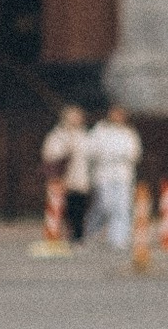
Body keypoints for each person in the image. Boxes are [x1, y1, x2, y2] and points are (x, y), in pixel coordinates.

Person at [86, 104, 141, 255]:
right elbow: (91, 150)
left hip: (123, 174)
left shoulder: (128, 133)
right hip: (104, 174)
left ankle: (118, 239)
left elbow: (134, 153)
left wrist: (121, 156)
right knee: (105, 205)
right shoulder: (100, 130)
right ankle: (91, 232)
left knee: (122, 207)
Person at [42, 103, 94, 244]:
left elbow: (90, 153)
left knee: (80, 206)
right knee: (66, 207)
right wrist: (65, 150)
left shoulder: (84, 135)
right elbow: (50, 154)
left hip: (80, 175)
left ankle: (78, 235)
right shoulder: (58, 134)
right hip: (63, 176)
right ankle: (61, 234)